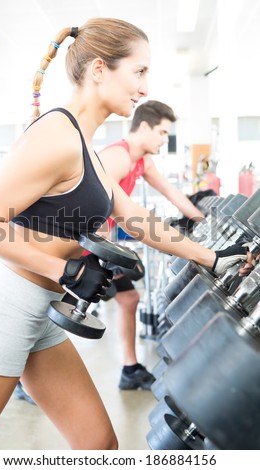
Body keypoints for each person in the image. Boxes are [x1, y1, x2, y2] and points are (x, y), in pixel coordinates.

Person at [0, 18, 253, 451]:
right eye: (139, 71)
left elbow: (136, 218)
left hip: (40, 313)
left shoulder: (86, 148)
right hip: (3, 309)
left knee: (98, 446)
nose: (145, 86)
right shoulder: (57, 135)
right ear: (100, 69)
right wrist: (67, 270)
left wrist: (211, 257)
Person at [98, 100, 205, 390]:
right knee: (52, 305)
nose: (164, 139)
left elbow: (170, 191)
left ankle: (130, 369)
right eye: (161, 132)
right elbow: (96, 206)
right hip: (79, 242)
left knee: (130, 299)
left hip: (98, 242)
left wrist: (202, 219)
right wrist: (108, 251)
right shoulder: (117, 157)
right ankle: (22, 377)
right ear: (143, 127)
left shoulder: (142, 160)